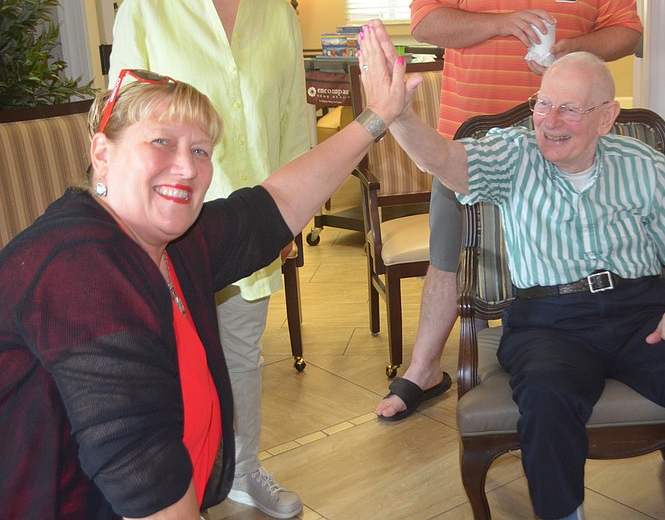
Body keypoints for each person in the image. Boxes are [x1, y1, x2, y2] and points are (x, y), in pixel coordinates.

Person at [0, 31, 407, 519]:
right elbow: (141, 473)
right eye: (162, 142)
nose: (187, 168)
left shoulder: (167, 242)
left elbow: (271, 206)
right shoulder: (80, 266)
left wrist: (379, 115)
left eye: (200, 151)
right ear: (102, 153)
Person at [362, 21, 665, 520]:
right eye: (544, 103)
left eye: (569, 108)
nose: (548, 120)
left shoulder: (640, 161)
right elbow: (447, 160)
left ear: (607, 117)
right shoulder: (514, 154)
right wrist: (399, 118)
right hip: (550, 320)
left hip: (640, 312)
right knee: (545, 397)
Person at [376, 0, 644, 420]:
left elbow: (627, 31)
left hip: (562, 141)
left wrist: (573, 49)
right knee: (448, 253)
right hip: (470, 141)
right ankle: (424, 369)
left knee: (564, 256)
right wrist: (503, 24)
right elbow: (424, 21)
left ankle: (565, 361)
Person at [108, 0, 310, 515]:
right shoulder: (145, 9)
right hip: (167, 228)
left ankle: (243, 471)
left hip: (250, 226)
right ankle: (165, 490)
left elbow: (294, 119)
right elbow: (122, 121)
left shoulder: (277, 14)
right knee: (166, 363)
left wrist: (293, 213)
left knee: (242, 353)